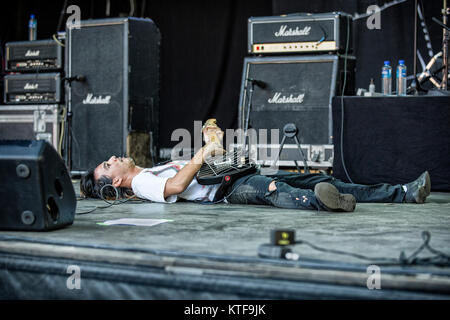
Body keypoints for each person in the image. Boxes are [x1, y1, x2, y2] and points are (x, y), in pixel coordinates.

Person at [80, 121, 431, 213]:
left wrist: (211, 142)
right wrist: (205, 150)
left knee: (320, 177)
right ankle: (323, 203)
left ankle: (403, 193)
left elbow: (194, 171)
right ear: (115, 183)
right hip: (228, 191)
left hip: (235, 176)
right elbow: (175, 188)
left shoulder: (148, 172)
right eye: (107, 165)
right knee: (278, 191)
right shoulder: (141, 184)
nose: (112, 158)